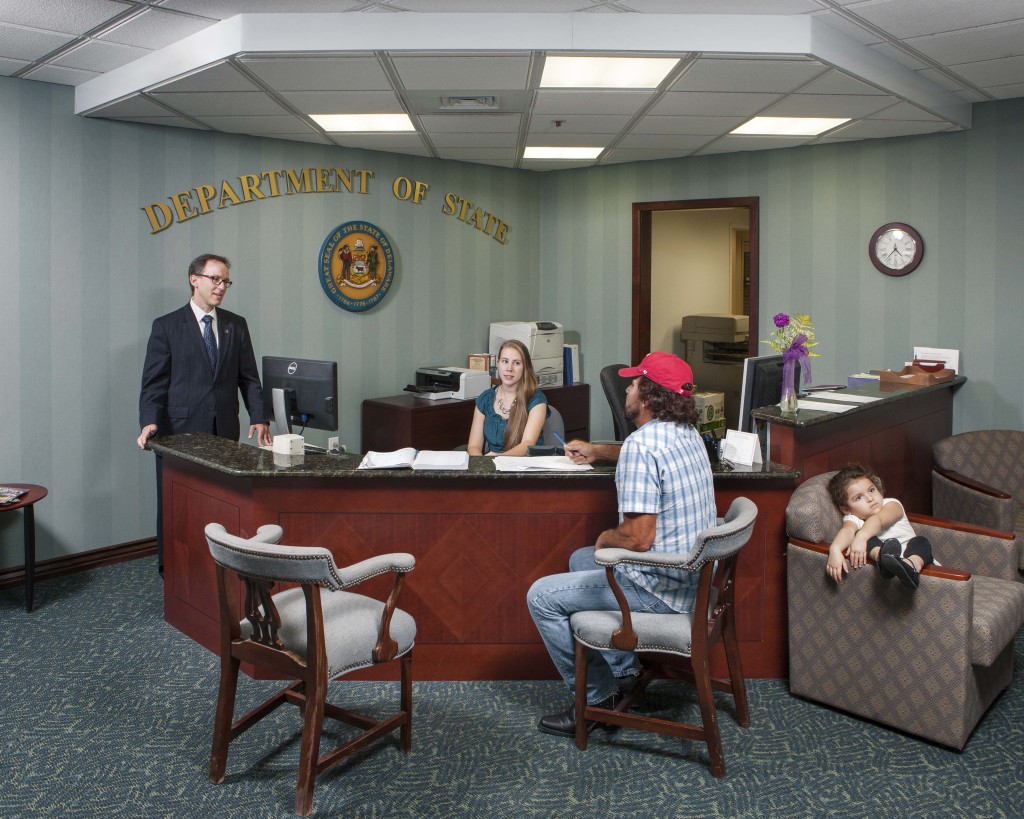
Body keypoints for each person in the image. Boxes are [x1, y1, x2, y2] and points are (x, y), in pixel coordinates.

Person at [526, 352, 716, 738]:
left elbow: (638, 538)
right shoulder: (687, 433)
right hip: (690, 580)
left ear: (646, 395)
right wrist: (599, 451)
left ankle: (598, 700)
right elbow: (640, 452)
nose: (626, 389)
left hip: (660, 590)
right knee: (580, 559)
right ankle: (622, 672)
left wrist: (604, 541)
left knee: (541, 596)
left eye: (632, 383)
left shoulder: (642, 448)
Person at [137, 253, 272, 573]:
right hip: (178, 432)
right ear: (194, 279)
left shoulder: (236, 325)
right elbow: (153, 383)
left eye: (226, 281)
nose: (221, 286)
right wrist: (149, 422)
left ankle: (219, 566)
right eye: (215, 279)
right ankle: (172, 568)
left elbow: (249, 377)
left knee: (221, 500)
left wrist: (259, 416)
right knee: (177, 505)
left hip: (224, 428)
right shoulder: (167, 326)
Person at [826, 464, 934, 588]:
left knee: (921, 541)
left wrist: (861, 536)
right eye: (859, 497)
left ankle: (910, 567)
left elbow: (879, 520)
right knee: (865, 538)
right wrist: (834, 549)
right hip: (887, 563)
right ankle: (884, 560)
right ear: (846, 509)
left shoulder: (892, 504)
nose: (870, 498)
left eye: (871, 490)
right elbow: (847, 531)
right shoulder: (854, 519)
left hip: (919, 558)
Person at [467, 339, 548, 456]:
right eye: (505, 361)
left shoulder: (536, 400)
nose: (509, 368)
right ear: (498, 363)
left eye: (516, 363)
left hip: (525, 467)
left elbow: (527, 444)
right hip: (491, 469)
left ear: (525, 367)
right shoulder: (485, 398)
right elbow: (474, 446)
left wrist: (496, 460)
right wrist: (483, 466)